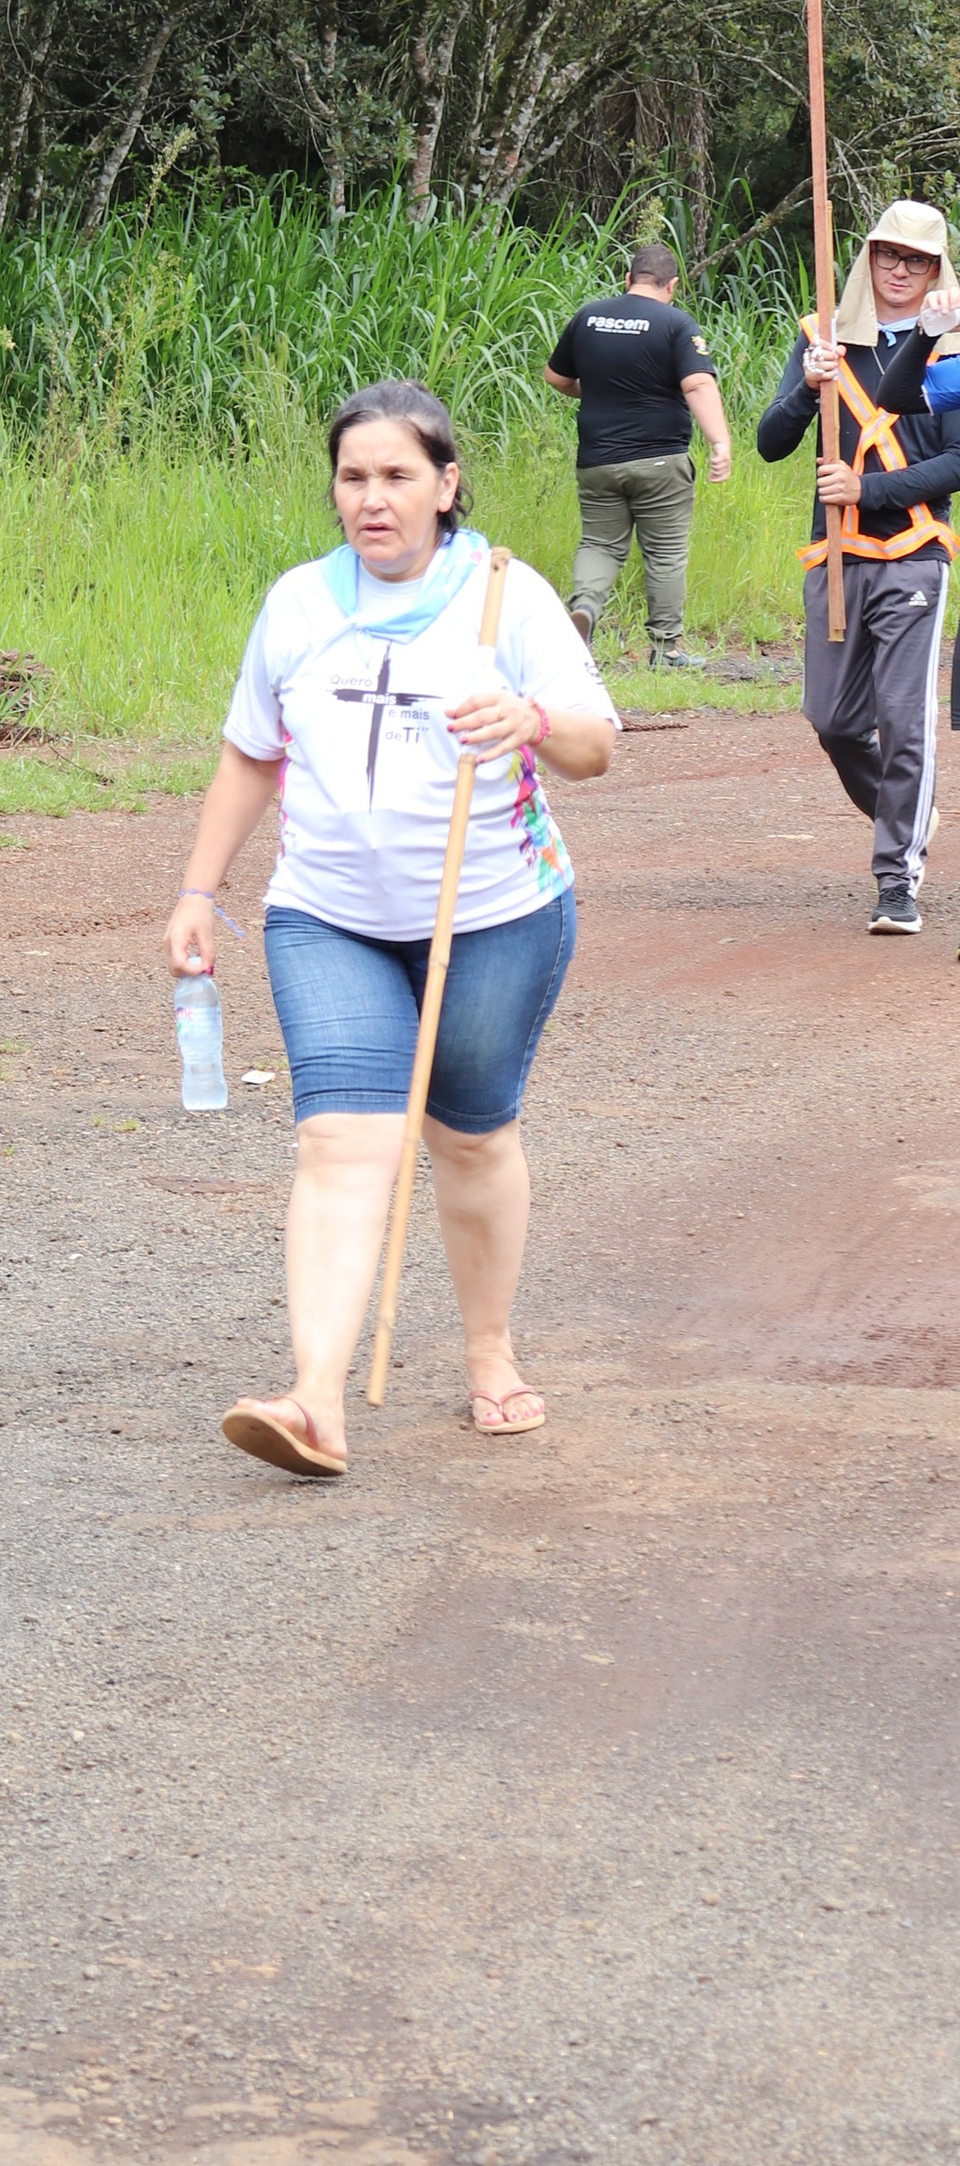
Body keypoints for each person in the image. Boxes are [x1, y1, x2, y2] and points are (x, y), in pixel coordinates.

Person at [163, 381, 615, 1480]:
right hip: (329, 917)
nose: (373, 498)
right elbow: (250, 753)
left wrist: (531, 720)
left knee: (467, 1135)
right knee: (340, 1138)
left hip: (494, 914)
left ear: (446, 485)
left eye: (398, 476)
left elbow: (595, 743)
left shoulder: (507, 599)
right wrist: (195, 890)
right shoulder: (296, 605)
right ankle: (315, 1401)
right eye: (354, 477)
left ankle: (488, 1352)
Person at [756, 199, 960, 935]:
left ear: (937, 269)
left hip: (912, 554)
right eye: (886, 256)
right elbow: (771, 443)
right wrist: (810, 392)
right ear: (867, 259)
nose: (899, 271)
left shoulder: (951, 346)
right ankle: (907, 815)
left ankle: (896, 882)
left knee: (905, 723)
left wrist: (866, 489)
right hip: (835, 558)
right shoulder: (823, 337)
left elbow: (957, 462)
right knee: (835, 721)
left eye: (916, 260)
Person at [544, 238, 732, 661]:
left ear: (627, 279)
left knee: (599, 544)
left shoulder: (588, 317)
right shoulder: (676, 324)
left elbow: (555, 377)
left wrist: (600, 389)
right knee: (664, 554)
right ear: (672, 286)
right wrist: (720, 442)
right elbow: (699, 383)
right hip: (660, 460)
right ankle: (665, 650)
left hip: (597, 460)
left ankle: (584, 609)